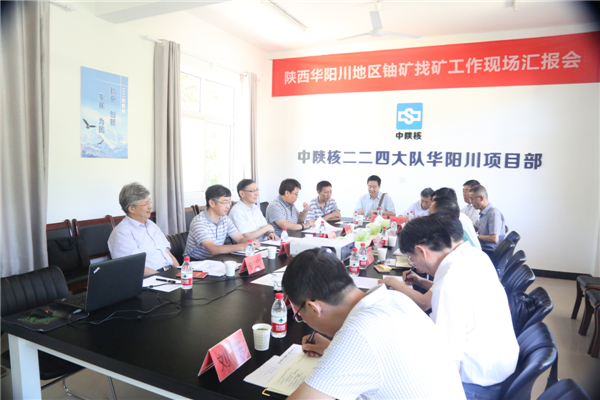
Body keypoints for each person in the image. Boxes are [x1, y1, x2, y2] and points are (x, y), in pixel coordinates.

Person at [282, 248, 466, 400]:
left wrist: (341, 349)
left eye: (299, 314)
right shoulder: (394, 298)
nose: (301, 318)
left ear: (313, 308)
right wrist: (333, 349)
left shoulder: (359, 334)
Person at [381, 214, 518, 400]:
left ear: (421, 250)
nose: (415, 266)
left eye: (411, 258)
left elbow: (448, 363)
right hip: (499, 367)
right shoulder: (475, 256)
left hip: (476, 385)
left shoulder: (448, 285)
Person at [108, 183, 179, 277]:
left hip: (169, 273)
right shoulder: (122, 233)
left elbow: (167, 253)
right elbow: (134, 266)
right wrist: (163, 277)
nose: (150, 207)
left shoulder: (151, 225)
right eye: (146, 204)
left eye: (149, 202)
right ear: (132, 208)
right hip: (150, 279)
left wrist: (180, 271)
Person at [184, 184, 260, 260]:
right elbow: (212, 249)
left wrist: (251, 242)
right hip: (195, 262)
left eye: (229, 202)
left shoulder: (225, 218)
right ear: (212, 203)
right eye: (225, 202)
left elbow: (239, 239)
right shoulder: (199, 222)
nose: (228, 206)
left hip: (216, 259)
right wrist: (241, 247)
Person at [469, 184, 506, 257]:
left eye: (472, 199)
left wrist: (476, 235)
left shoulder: (493, 213)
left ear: (481, 198)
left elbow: (494, 239)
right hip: (483, 248)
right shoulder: (483, 213)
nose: (471, 202)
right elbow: (474, 228)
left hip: (489, 252)